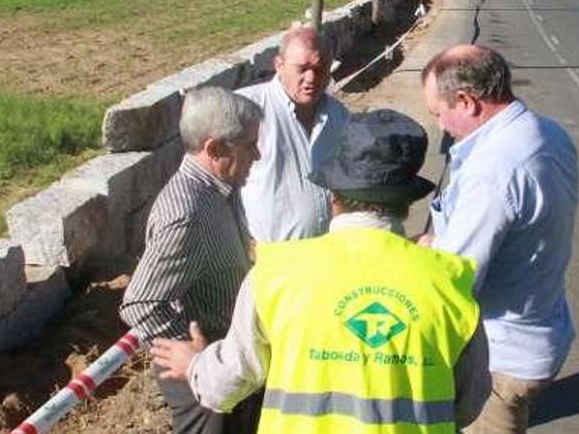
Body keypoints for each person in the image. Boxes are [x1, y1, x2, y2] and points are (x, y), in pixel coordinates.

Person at [151, 109, 491, 433]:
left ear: (332, 194)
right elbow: (467, 404)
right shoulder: (449, 283)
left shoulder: (276, 275)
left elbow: (226, 385)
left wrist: (195, 366)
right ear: (407, 202)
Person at [420, 45, 579, 434]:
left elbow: (454, 281)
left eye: (439, 114)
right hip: (541, 330)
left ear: (467, 101)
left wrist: (428, 254)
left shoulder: (493, 170)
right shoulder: (548, 133)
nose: (440, 127)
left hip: (500, 355)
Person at [119, 86, 264, 434]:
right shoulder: (189, 213)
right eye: (248, 145)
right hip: (201, 367)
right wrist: (188, 352)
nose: (257, 155)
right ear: (214, 148)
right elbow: (139, 302)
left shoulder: (219, 190)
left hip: (224, 355)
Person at [236, 26, 349, 243]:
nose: (311, 78)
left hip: (326, 257)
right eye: (302, 68)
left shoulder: (340, 117)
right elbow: (220, 180)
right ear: (279, 65)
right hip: (268, 259)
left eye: (320, 68)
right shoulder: (247, 110)